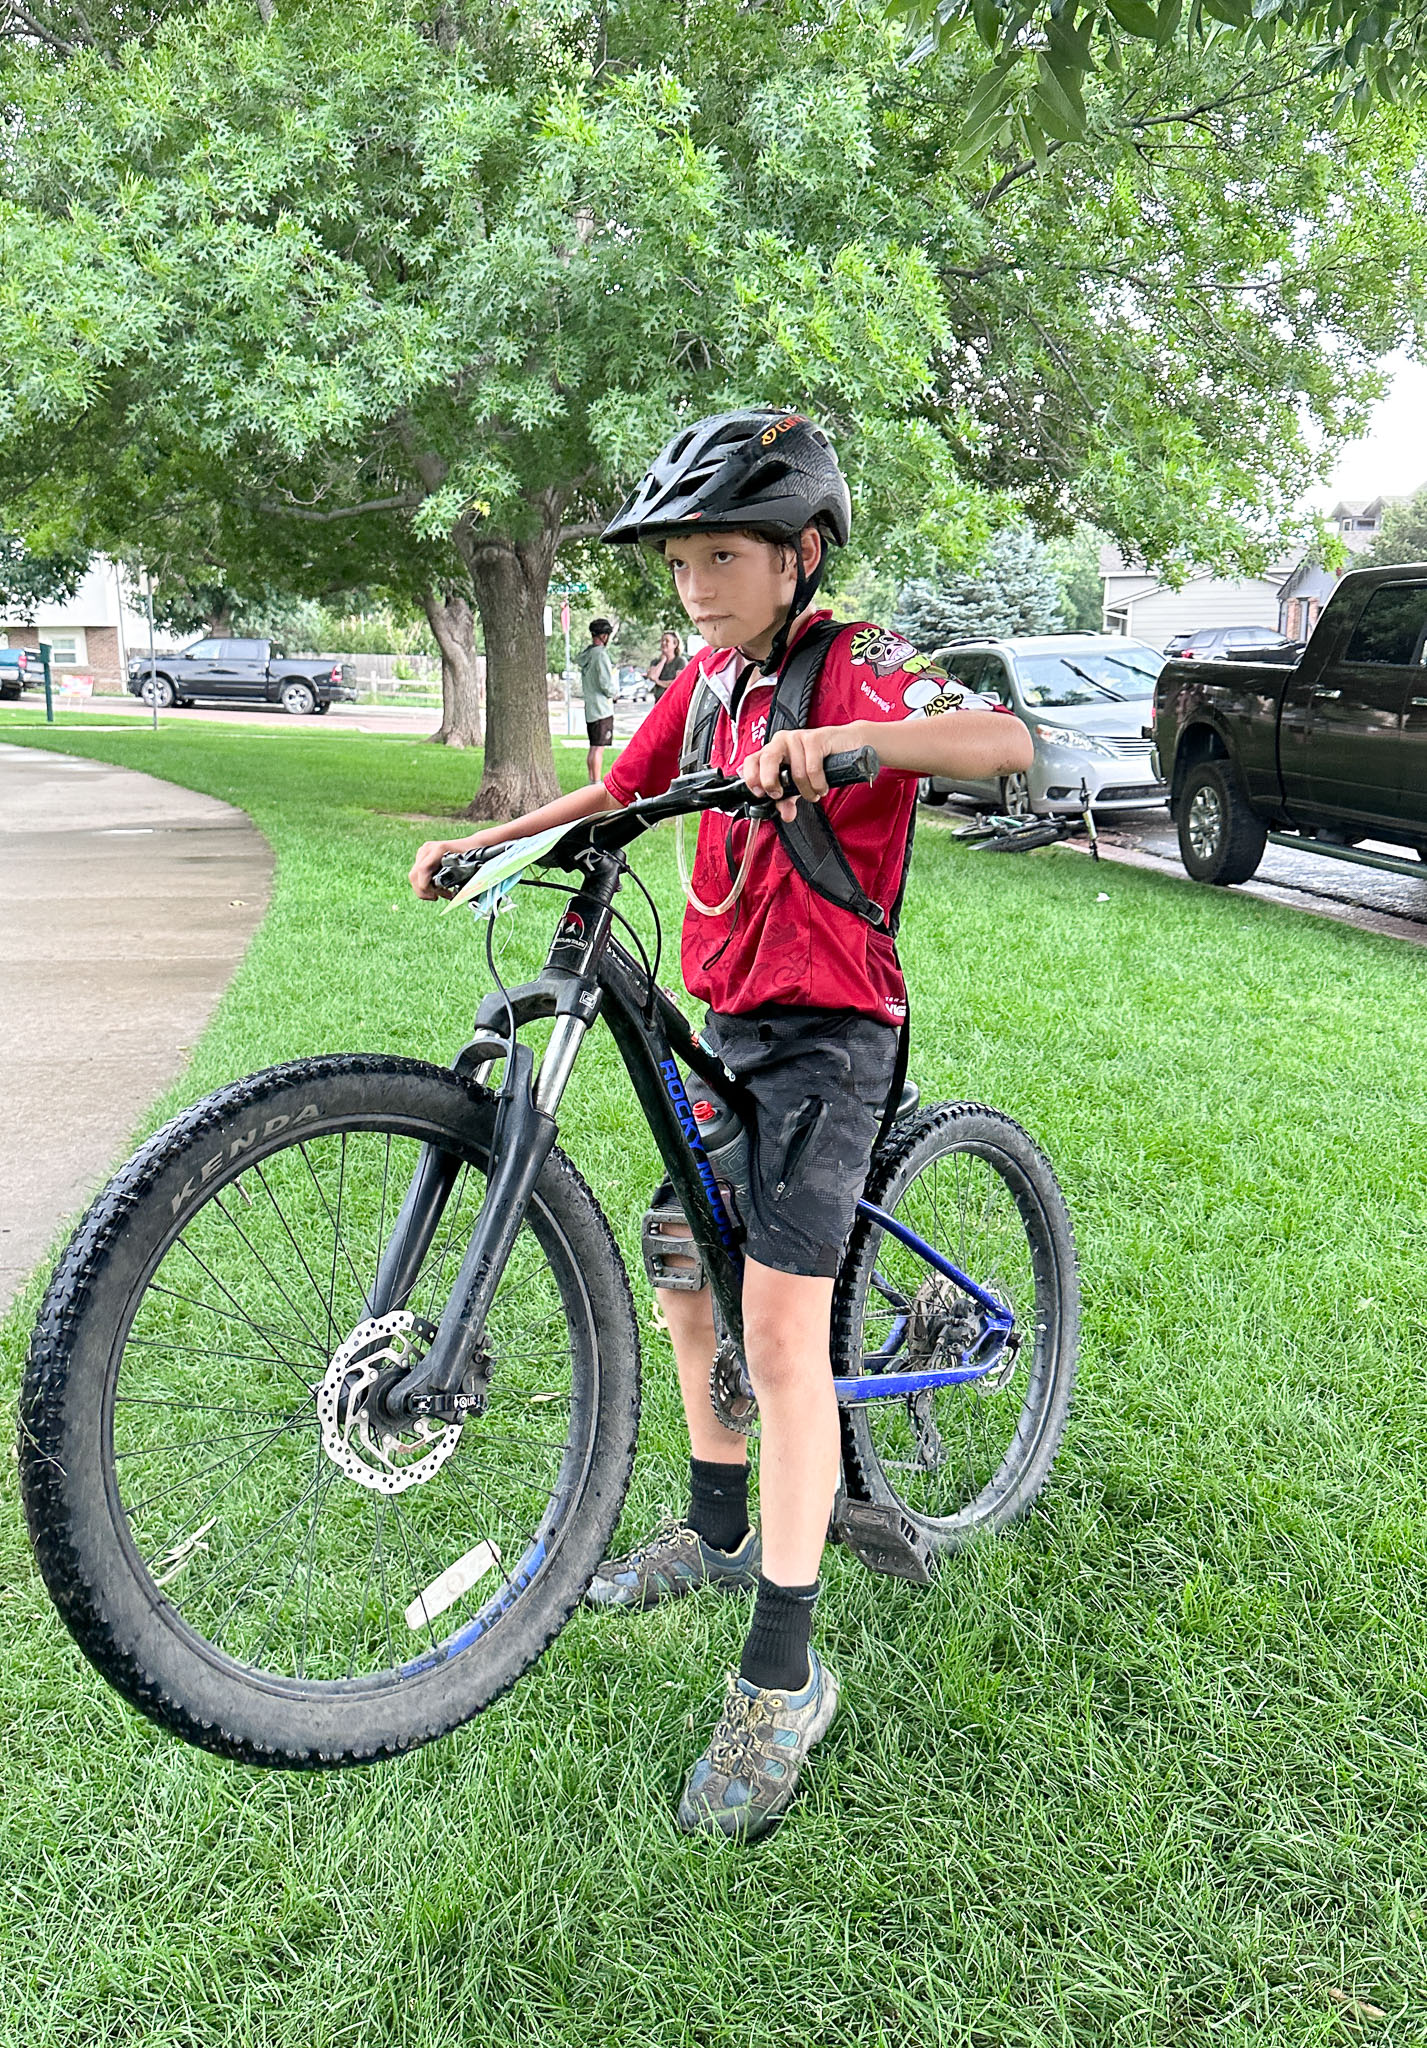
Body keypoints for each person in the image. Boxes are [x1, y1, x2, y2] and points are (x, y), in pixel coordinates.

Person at [410, 409, 1031, 1841]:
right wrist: (489, 842)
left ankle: (783, 1676)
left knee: (778, 1333)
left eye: (723, 557)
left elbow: (1001, 738)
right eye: (680, 562)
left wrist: (848, 743)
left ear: (800, 553)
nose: (695, 585)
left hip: (829, 1037)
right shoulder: (700, 683)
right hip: (730, 1022)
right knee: (685, 1267)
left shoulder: (853, 657)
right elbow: (616, 793)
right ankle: (710, 1525)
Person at [578, 617, 616, 783]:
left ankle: (592, 780)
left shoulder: (588, 654)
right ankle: (596, 782)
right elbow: (605, 683)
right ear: (604, 636)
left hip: (591, 708)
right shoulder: (600, 655)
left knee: (593, 746)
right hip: (602, 708)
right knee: (598, 748)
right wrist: (614, 693)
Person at [647, 628, 685, 701]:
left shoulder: (680, 662)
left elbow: (677, 683)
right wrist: (663, 661)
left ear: (675, 644)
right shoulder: (655, 662)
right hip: (658, 701)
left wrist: (658, 682)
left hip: (674, 701)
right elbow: (652, 676)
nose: (663, 643)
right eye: (662, 640)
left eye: (667, 641)